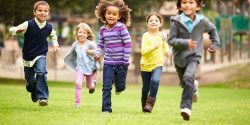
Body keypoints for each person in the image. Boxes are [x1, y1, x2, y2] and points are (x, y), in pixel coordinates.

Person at [168, 0, 220, 120]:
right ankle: (194, 88)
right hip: (178, 58)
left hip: (194, 56)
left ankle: (186, 108)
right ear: (180, 6)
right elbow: (171, 40)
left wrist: (215, 44)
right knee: (184, 83)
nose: (187, 5)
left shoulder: (203, 21)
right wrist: (185, 43)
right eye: (184, 2)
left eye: (191, 2)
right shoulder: (176, 21)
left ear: (198, 6)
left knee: (188, 77)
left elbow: (213, 30)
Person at [9, 1, 60, 106]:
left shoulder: (49, 27)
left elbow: (53, 36)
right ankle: (34, 91)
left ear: (48, 13)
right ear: (34, 12)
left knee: (41, 72)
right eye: (40, 10)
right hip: (28, 56)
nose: (43, 13)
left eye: (45, 11)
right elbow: (12, 29)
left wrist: (56, 45)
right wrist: (17, 30)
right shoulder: (28, 24)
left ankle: (43, 98)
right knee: (30, 83)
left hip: (41, 54)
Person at [94, 0, 132, 113]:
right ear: (104, 14)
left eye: (114, 14)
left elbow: (128, 43)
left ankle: (119, 86)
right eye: (109, 13)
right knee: (106, 87)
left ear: (119, 16)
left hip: (121, 63)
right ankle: (106, 109)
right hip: (108, 63)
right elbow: (101, 44)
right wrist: (98, 53)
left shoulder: (121, 27)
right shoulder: (102, 29)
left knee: (120, 87)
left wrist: (125, 59)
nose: (111, 16)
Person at [140, 13, 170, 113]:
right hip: (145, 65)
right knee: (146, 87)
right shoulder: (145, 36)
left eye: (156, 20)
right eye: (151, 20)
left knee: (155, 81)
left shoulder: (162, 35)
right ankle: (144, 103)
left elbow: (164, 44)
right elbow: (143, 51)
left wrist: (167, 51)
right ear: (147, 24)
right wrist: (154, 47)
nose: (153, 22)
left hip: (157, 64)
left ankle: (149, 104)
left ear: (160, 24)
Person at [62, 23, 97, 108]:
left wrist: (90, 52)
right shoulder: (75, 44)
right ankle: (77, 104)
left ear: (88, 34)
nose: (82, 34)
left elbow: (98, 51)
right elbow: (71, 54)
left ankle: (93, 84)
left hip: (90, 67)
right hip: (80, 68)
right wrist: (66, 63)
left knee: (89, 86)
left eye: (84, 33)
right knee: (78, 83)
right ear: (77, 33)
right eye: (80, 32)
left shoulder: (90, 43)